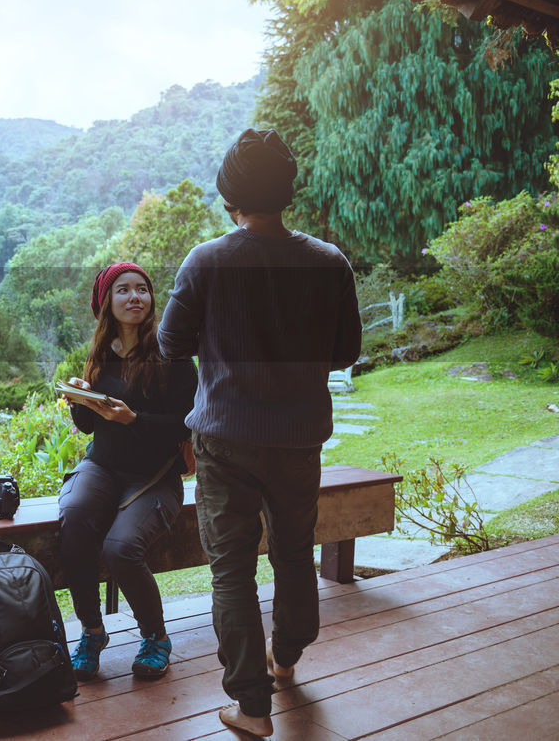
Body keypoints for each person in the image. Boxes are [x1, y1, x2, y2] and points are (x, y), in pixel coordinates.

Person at [157, 129, 361, 737]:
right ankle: (287, 656)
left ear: (229, 194)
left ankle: (250, 706)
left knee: (231, 569)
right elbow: (346, 351)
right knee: (296, 551)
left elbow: (171, 344)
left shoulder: (208, 261)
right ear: (287, 189)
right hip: (298, 437)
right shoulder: (329, 262)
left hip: (226, 441)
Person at [59, 262, 198, 681]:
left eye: (142, 289)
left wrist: (133, 420)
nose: (135, 297)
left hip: (155, 476)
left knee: (120, 549)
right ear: (106, 303)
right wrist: (79, 400)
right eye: (123, 290)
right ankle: (91, 631)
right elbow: (88, 427)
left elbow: (188, 422)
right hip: (103, 467)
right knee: (75, 519)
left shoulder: (171, 356)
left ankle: (155, 637)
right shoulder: (100, 355)